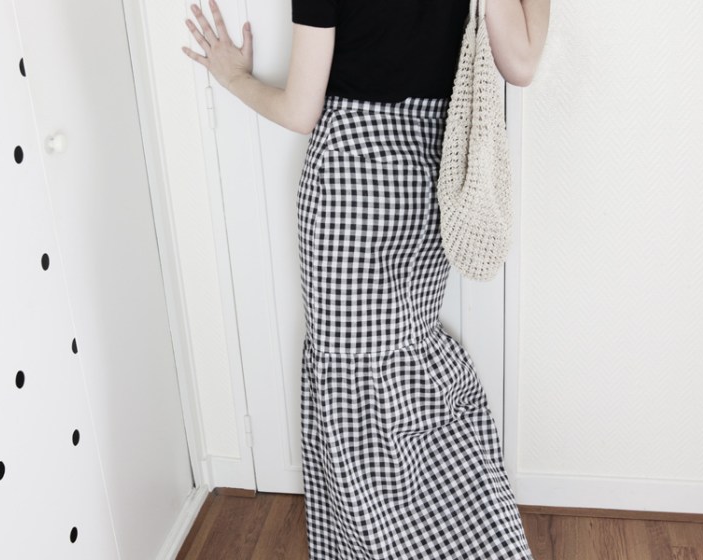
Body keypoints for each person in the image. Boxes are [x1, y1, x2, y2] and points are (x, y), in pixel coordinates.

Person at [182, 0, 550, 557]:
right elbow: (521, 63)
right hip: (430, 174)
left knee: (351, 393)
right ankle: (475, 539)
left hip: (348, 180)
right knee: (412, 370)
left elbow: (301, 110)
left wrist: (233, 76)